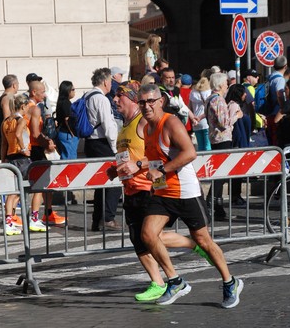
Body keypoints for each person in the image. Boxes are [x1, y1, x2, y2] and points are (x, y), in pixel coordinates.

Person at [119, 83, 244, 308]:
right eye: (142, 102)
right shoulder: (147, 129)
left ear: (161, 102)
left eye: (150, 101)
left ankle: (230, 281)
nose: (146, 106)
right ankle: (175, 281)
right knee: (146, 235)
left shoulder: (171, 123)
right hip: (162, 192)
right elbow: (155, 159)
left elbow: (190, 153)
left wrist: (162, 170)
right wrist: (137, 165)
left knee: (202, 240)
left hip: (185, 192)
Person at [109, 81, 213, 302]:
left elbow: (157, 157)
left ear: (131, 98)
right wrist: (116, 168)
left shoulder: (143, 122)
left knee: (150, 236)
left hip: (147, 187)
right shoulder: (125, 124)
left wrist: (138, 166)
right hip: (130, 188)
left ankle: (189, 253)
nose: (115, 100)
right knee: (139, 238)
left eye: (120, 96)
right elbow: (130, 155)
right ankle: (158, 282)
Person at [84, 67, 122, 231]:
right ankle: (107, 218)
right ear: (106, 81)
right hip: (102, 144)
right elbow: (109, 127)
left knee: (100, 183)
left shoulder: (87, 95)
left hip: (90, 143)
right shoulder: (101, 99)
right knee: (114, 180)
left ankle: (97, 219)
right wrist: (115, 149)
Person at [27, 80, 65, 229]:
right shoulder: (34, 109)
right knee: (40, 185)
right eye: (42, 92)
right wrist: (47, 143)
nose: (44, 94)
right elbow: (36, 134)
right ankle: (34, 218)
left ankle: (44, 214)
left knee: (42, 185)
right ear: (34, 92)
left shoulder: (27, 107)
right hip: (36, 149)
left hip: (33, 149)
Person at [205, 72, 242, 220]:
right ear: (220, 85)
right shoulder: (219, 100)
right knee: (221, 174)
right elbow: (224, 123)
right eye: (226, 83)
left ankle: (218, 209)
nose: (227, 85)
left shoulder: (210, 99)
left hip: (215, 138)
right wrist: (236, 116)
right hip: (222, 138)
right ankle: (211, 201)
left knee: (220, 172)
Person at [0, 93, 32, 235]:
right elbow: (19, 135)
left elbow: (4, 143)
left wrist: (3, 159)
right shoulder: (22, 120)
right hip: (21, 157)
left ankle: (9, 220)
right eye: (27, 107)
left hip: (10, 157)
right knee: (19, 191)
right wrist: (24, 149)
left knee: (12, 192)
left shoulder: (6, 121)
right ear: (23, 106)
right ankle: (12, 220)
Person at [225, 84, 251, 207]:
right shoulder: (234, 105)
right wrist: (238, 116)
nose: (245, 94)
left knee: (239, 171)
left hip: (240, 140)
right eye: (243, 92)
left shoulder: (236, 105)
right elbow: (229, 123)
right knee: (237, 171)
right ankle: (235, 196)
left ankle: (236, 195)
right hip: (237, 142)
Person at [0, 74, 19, 159]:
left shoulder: (2, 97)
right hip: (5, 139)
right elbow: (7, 119)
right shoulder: (8, 98)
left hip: (2, 138)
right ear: (14, 85)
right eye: (18, 84)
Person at [266, 55, 288, 146]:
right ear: (285, 66)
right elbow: (279, 94)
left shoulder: (269, 78)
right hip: (277, 114)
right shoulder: (280, 80)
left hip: (269, 112)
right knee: (277, 141)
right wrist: (284, 108)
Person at [55, 81, 79, 159]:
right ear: (67, 90)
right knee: (70, 158)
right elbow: (67, 119)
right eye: (73, 89)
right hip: (67, 134)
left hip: (62, 132)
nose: (74, 91)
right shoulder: (66, 103)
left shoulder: (61, 102)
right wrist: (72, 132)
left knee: (66, 157)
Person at [188, 75, 211, 151]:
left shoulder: (193, 92)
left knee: (200, 146)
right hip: (205, 121)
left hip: (196, 122)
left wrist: (193, 119)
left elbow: (189, 108)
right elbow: (209, 109)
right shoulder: (209, 92)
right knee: (208, 145)